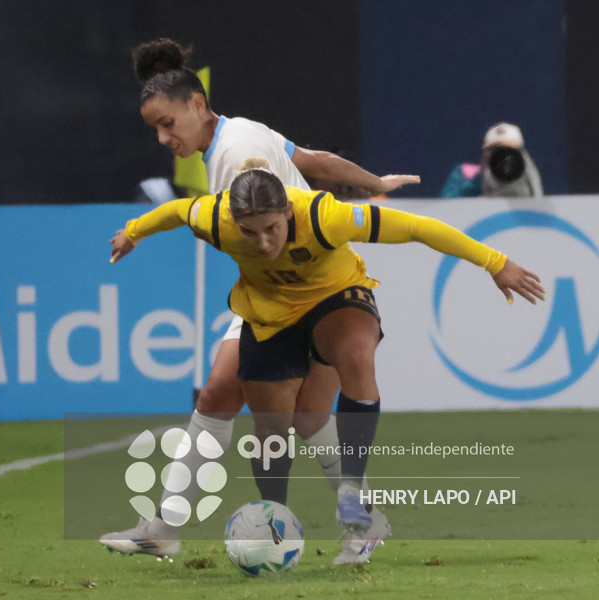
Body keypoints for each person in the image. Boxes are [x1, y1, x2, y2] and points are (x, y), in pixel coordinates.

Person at [109, 161, 544, 558]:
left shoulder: (323, 215)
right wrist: (133, 231)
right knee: (271, 430)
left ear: (288, 214)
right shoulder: (215, 217)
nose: (262, 243)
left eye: (272, 229)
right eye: (250, 232)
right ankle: (273, 520)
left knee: (355, 352)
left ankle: (353, 493)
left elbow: (415, 226)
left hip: (336, 297)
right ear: (233, 221)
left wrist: (494, 261)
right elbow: (174, 211)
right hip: (269, 312)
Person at [99, 37, 420, 564]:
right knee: (227, 401)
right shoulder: (241, 129)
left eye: (166, 124)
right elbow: (315, 160)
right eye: (154, 128)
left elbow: (265, 229)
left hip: (300, 292)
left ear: (196, 106)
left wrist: (139, 230)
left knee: (302, 416)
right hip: (276, 290)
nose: (162, 137)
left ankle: (359, 520)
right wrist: (374, 180)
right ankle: (164, 528)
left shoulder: (234, 157)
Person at [440, 122, 543, 198]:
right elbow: (447, 209)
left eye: (510, 150)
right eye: (494, 150)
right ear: (485, 153)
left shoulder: (531, 177)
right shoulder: (464, 174)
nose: (503, 158)